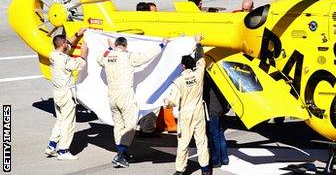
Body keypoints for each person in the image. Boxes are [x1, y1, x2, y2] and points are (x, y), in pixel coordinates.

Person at [98, 36, 168, 168]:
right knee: (130, 125)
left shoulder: (108, 57)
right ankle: (120, 154)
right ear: (125, 46)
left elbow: (99, 59)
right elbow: (146, 56)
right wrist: (162, 45)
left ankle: (122, 153)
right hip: (125, 94)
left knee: (118, 125)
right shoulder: (128, 56)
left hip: (112, 95)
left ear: (116, 45)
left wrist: (109, 48)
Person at [164, 35, 212, 175]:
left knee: (183, 143)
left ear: (182, 66)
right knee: (201, 141)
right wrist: (198, 44)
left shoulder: (178, 81)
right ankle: (205, 169)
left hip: (185, 113)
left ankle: (180, 170)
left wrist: (166, 102)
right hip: (198, 111)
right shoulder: (198, 75)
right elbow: (201, 62)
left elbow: (171, 101)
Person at [45, 28, 88, 160]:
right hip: (66, 94)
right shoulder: (63, 60)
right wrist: (83, 54)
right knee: (69, 123)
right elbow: (77, 65)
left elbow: (68, 43)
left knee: (60, 120)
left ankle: (52, 145)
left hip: (57, 93)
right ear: (62, 45)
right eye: (66, 44)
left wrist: (77, 34)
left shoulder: (53, 54)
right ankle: (63, 151)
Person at [206, 75, 229, 168]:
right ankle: (224, 158)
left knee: (214, 136)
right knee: (220, 134)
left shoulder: (209, 83)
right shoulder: (220, 80)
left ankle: (216, 161)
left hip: (213, 111)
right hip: (220, 110)